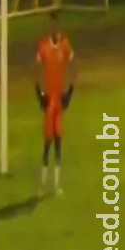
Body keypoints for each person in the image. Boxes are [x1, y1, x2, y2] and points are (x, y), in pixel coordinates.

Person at [35, 12, 76, 195]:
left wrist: (70, 93)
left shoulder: (65, 46)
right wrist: (39, 95)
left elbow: (74, 68)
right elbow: (35, 71)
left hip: (59, 100)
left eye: (57, 25)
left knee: (59, 140)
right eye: (52, 25)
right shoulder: (43, 47)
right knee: (47, 142)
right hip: (49, 101)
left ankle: (56, 185)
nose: (54, 29)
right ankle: (43, 185)